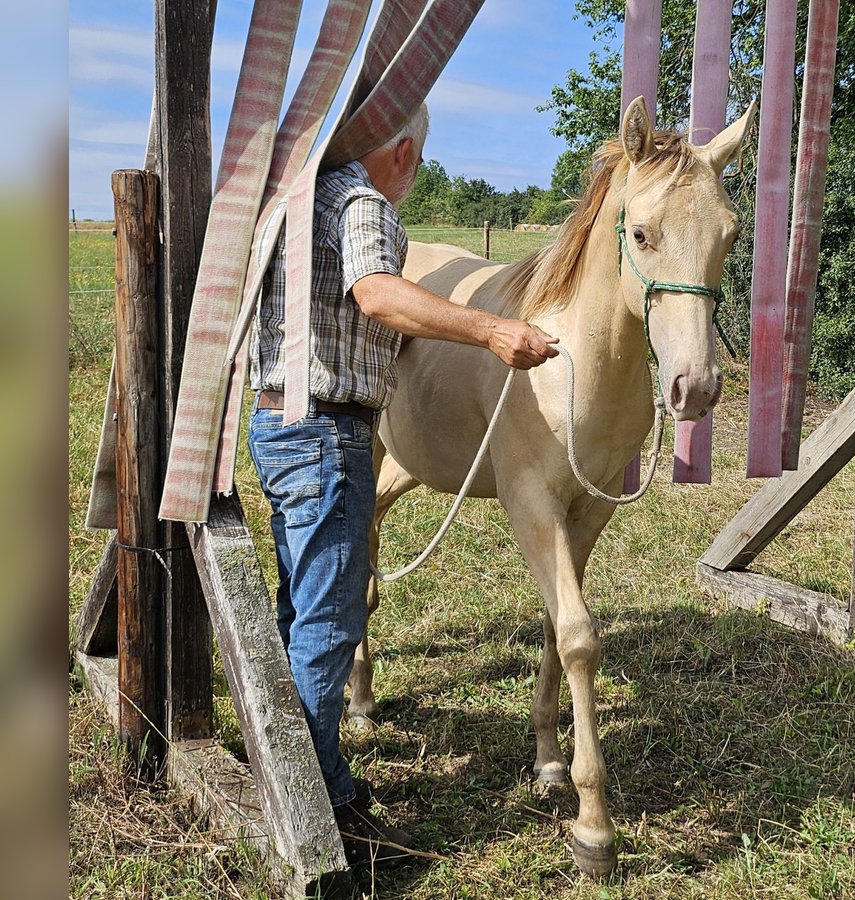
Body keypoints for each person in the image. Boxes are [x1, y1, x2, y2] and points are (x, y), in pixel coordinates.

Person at [247, 103, 558, 866]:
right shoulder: (362, 203)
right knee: (328, 624)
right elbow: (379, 294)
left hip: (280, 425)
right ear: (407, 152)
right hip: (327, 433)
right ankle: (313, 808)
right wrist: (489, 329)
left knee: (302, 611)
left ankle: (314, 777)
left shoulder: (303, 196)